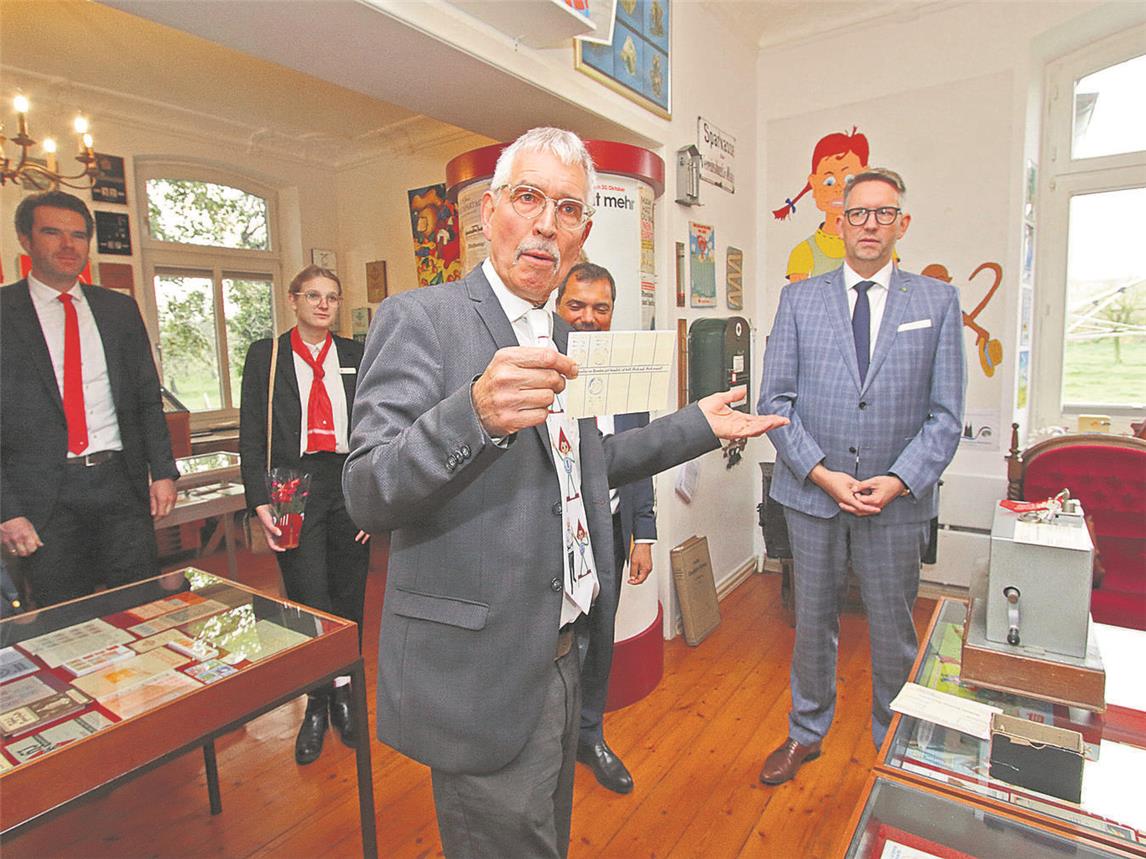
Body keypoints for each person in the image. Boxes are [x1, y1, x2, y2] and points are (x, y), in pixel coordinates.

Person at [343, 127, 787, 859]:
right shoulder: (421, 320)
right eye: (528, 198)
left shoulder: (562, 337)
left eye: (570, 209)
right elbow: (365, 489)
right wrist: (473, 415)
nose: (547, 224)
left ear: (583, 232)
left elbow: (586, 465)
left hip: (562, 655)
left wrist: (694, 426)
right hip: (482, 672)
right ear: (489, 212)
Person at [756, 168, 965, 784]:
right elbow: (776, 404)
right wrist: (822, 473)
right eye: (859, 213)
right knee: (811, 622)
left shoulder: (935, 302)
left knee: (895, 628)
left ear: (902, 223)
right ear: (839, 222)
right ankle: (806, 732)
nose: (870, 224)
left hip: (894, 502)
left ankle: (898, 741)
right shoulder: (799, 299)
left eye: (884, 213)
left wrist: (898, 479)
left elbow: (946, 415)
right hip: (812, 494)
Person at [0, 191, 178, 608]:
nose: (68, 245)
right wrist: (6, 510)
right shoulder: (4, 313)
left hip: (120, 485)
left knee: (139, 607)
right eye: (53, 232)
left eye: (78, 235)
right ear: (25, 239)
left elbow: (146, 399)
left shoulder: (118, 310)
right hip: (44, 498)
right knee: (65, 618)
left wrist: (163, 472)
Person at [238, 265, 370, 765]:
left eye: (332, 298)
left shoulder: (356, 355)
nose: (323, 305)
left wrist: (372, 501)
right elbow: (251, 433)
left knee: (348, 593)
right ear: (293, 300)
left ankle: (347, 697)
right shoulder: (266, 356)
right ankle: (317, 700)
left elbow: (378, 427)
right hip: (292, 482)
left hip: (346, 480)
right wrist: (259, 500)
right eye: (313, 296)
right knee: (306, 595)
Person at [555, 261, 654, 795]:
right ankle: (550, 739)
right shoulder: (536, 368)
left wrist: (644, 532)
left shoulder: (627, 369)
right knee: (553, 640)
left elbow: (640, 456)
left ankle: (589, 735)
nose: (589, 318)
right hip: (553, 533)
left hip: (610, 529)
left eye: (600, 308)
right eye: (577, 306)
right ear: (557, 306)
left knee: (600, 636)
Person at [772, 127, 870, 282]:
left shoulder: (879, 248)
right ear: (814, 184)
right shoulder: (803, 252)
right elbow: (798, 302)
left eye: (849, 180)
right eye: (829, 182)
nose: (839, 188)